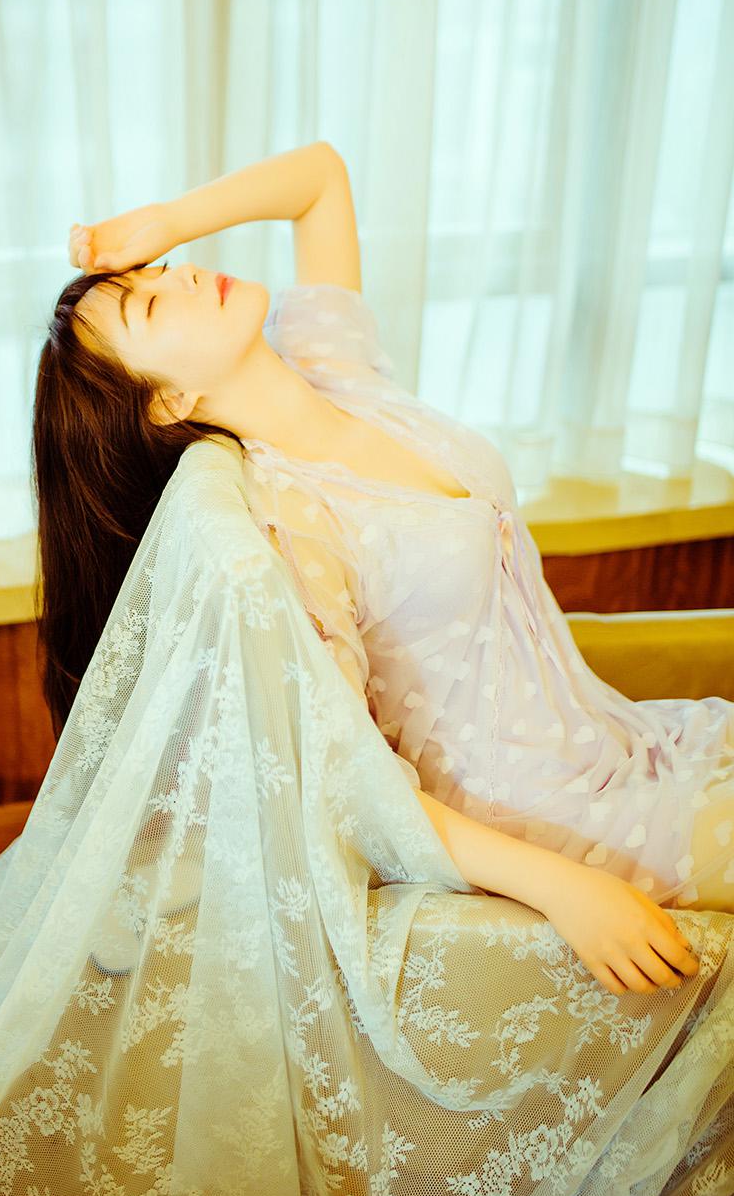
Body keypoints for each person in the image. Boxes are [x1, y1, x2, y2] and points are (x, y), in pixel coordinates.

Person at [44, 140, 732, 1006]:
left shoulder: (336, 372)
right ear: (168, 401)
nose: (181, 274)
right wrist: (565, 889)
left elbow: (319, 178)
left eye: (164, 268)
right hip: (548, 818)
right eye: (150, 303)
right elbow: (350, 780)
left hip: (633, 740)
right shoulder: (291, 526)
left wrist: (163, 221)